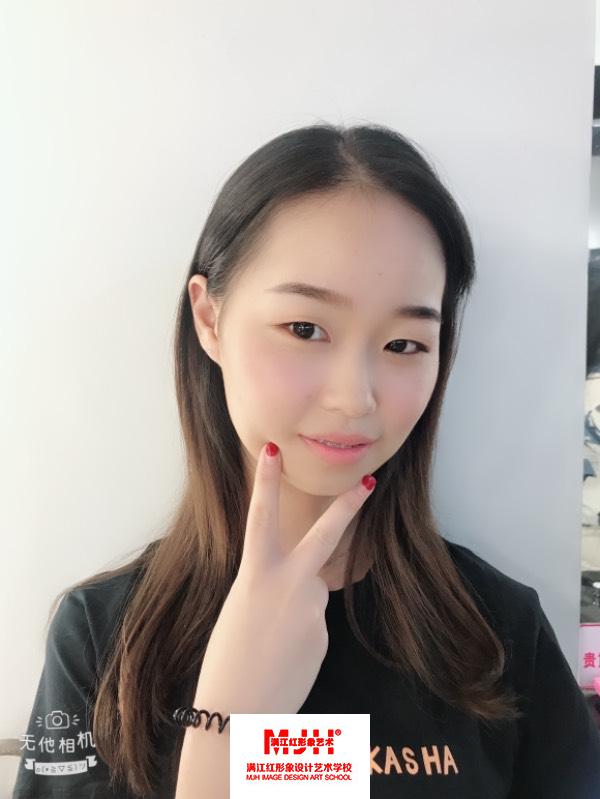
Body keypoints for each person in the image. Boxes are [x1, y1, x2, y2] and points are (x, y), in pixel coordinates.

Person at [12, 123, 600, 799]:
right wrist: (226, 727)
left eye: (405, 344)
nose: (355, 398)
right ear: (209, 319)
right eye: (305, 328)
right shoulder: (104, 637)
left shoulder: (498, 633)